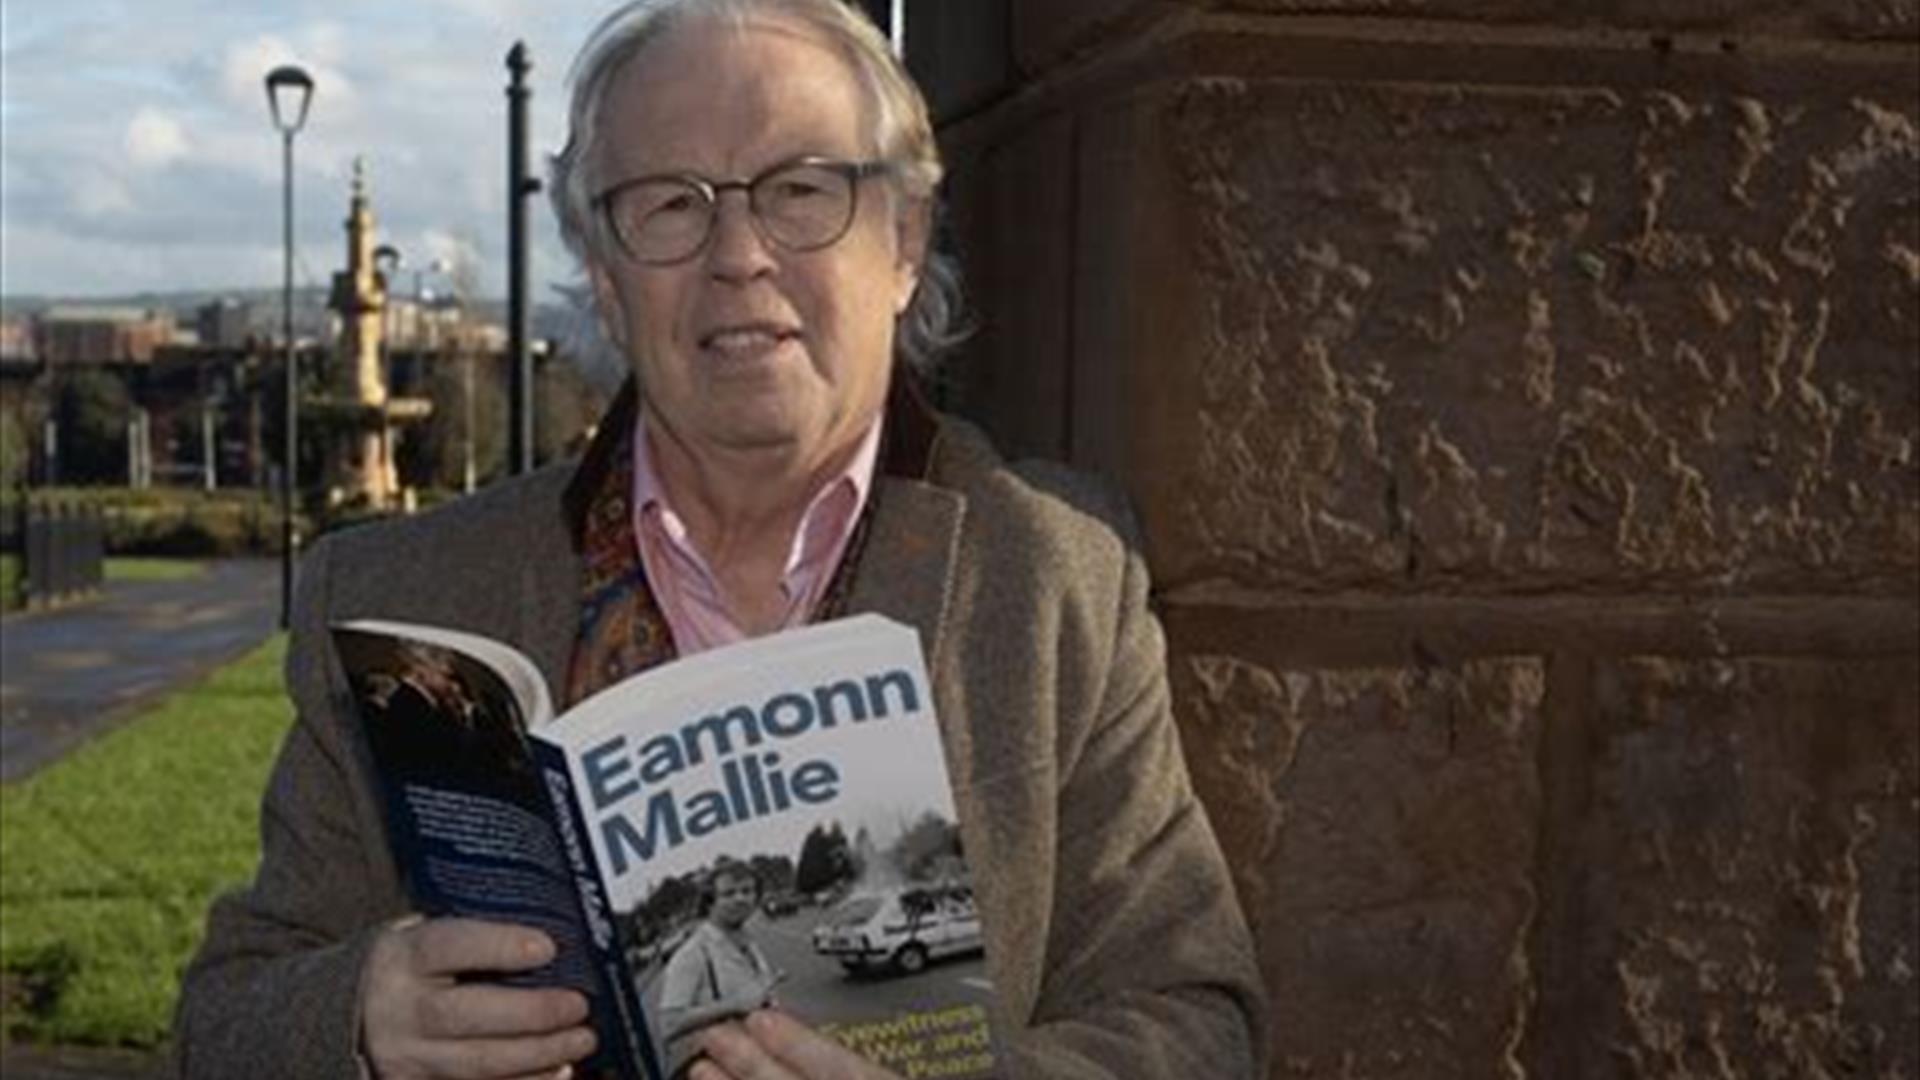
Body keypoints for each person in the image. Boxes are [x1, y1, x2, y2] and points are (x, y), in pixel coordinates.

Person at [173, 0, 1268, 1077]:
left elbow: (1193, 1016)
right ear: (605, 277)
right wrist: (361, 1023)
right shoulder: (396, 597)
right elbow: (224, 1018)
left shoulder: (1058, 582)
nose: (738, 253)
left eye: (802, 190)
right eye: (669, 205)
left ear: (904, 241)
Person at [655, 865, 783, 1073]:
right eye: (728, 893)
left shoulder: (749, 942)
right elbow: (668, 1024)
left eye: (747, 891)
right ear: (710, 902)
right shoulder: (692, 953)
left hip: (760, 1060)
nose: (740, 898)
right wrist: (735, 1004)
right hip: (721, 1066)